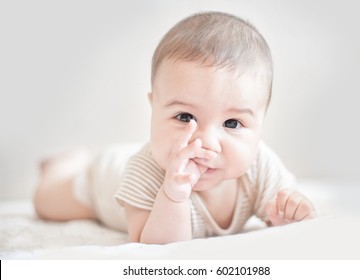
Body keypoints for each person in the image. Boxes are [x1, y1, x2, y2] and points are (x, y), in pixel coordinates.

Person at [34, 11, 316, 244]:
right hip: (104, 179)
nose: (206, 143)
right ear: (154, 107)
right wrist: (172, 196)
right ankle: (68, 163)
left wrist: (289, 215)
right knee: (45, 201)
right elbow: (154, 247)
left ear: (260, 122)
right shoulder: (145, 172)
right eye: (184, 117)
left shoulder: (260, 167)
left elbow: (283, 210)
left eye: (232, 123)